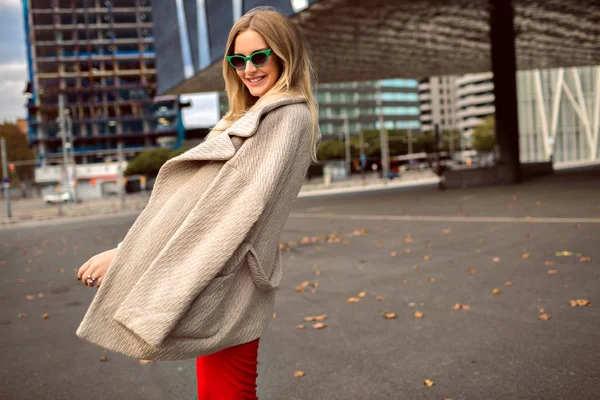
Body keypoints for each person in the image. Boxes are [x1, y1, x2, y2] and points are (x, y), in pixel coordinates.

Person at [75, 6, 320, 400]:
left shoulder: (285, 117)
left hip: (227, 275)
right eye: (238, 59)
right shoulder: (252, 116)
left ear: (284, 56)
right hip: (220, 275)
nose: (248, 68)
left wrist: (125, 257)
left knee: (226, 394)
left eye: (259, 57)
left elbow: (222, 212)